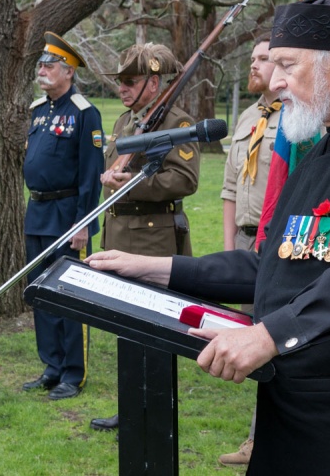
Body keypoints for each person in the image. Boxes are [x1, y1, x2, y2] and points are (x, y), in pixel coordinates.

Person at [86, 0, 330, 475]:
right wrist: (157, 268)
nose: (273, 82)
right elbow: (274, 263)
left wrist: (270, 333)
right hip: (303, 421)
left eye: (286, 65)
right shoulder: (320, 146)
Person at [90, 42, 201, 432]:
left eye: (130, 81)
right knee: (127, 327)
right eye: (119, 81)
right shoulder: (126, 122)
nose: (122, 88)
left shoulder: (176, 123)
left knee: (154, 327)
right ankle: (131, 406)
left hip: (153, 239)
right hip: (120, 233)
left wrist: (131, 183)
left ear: (154, 83)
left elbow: (185, 180)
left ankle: (155, 407)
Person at [22, 32, 104, 401]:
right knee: (40, 293)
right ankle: (52, 366)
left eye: (49, 65)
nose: (42, 70)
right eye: (40, 65)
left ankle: (74, 372)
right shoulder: (39, 111)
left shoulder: (85, 113)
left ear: (68, 72)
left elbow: (90, 174)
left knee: (70, 296)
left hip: (69, 216)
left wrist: (84, 222)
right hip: (37, 211)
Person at [217, 32, 278, 466]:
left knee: (273, 339)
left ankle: (262, 440)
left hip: (276, 242)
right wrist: (227, 254)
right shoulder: (248, 118)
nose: (253, 65)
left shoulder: (297, 121)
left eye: (264, 59)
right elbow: (228, 191)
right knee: (252, 337)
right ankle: (258, 436)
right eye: (253, 58)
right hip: (244, 240)